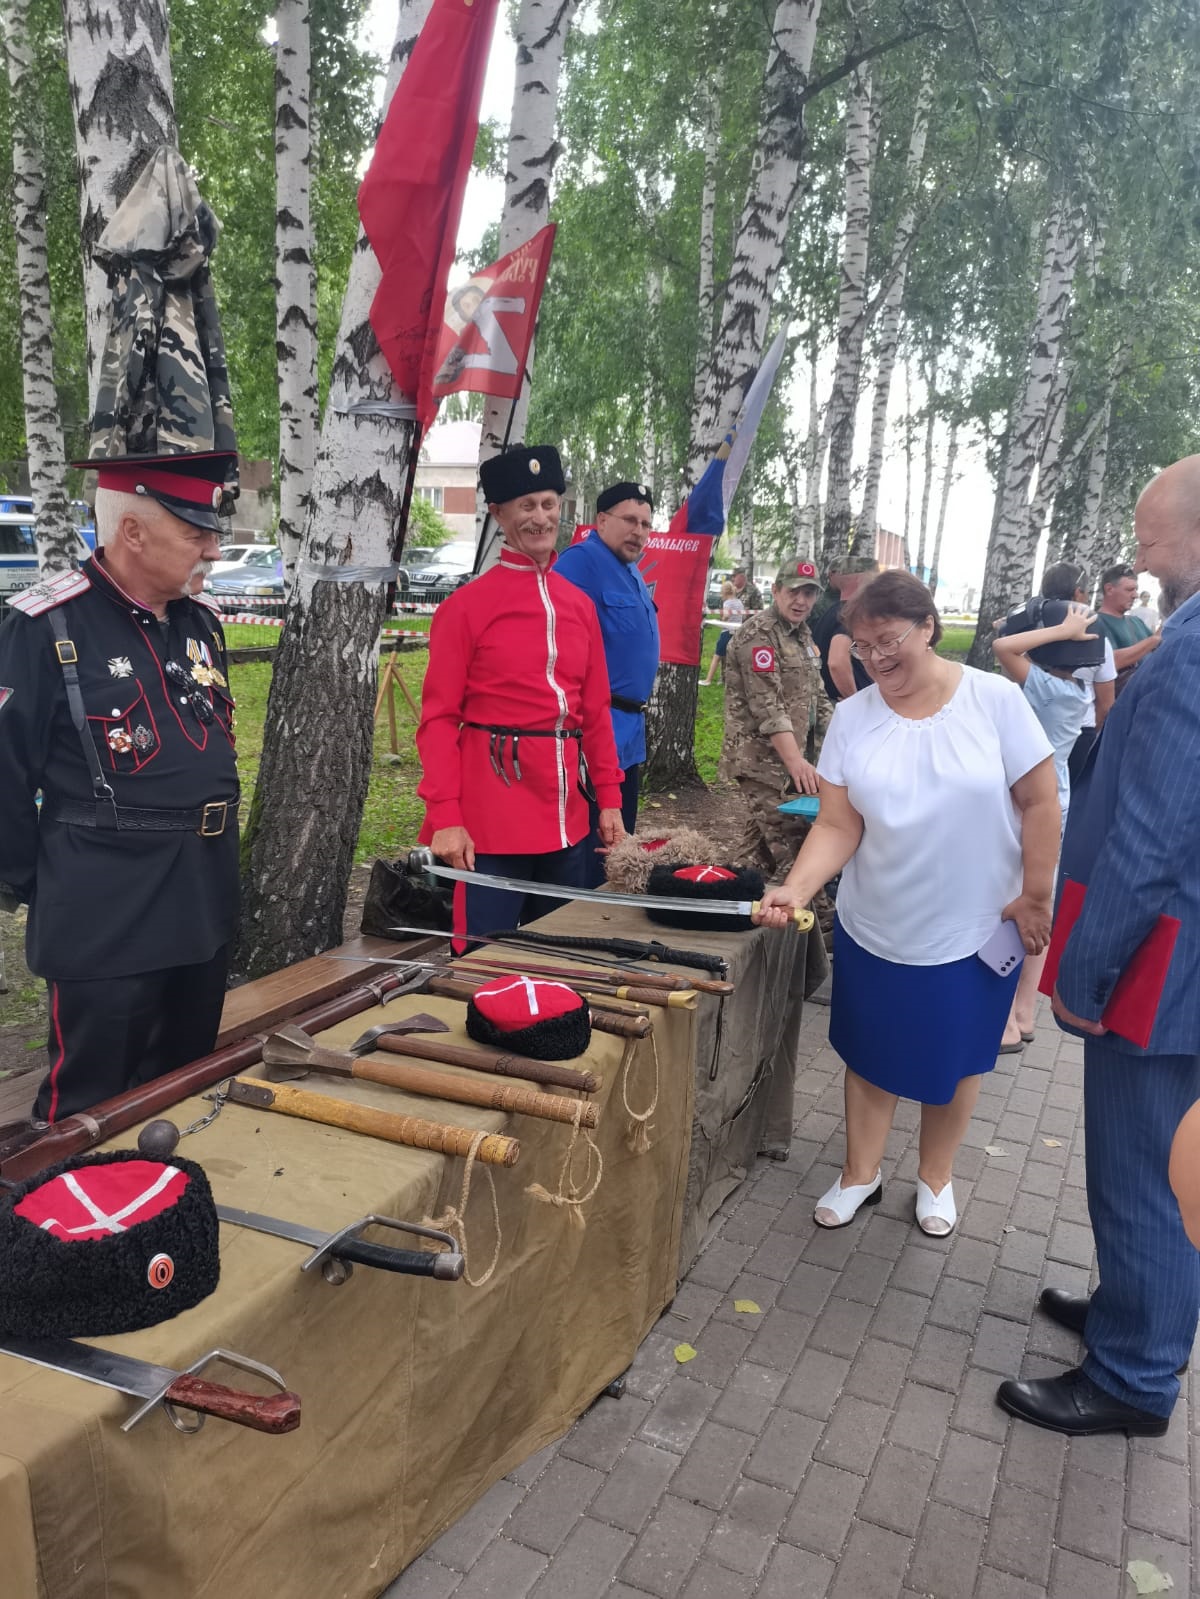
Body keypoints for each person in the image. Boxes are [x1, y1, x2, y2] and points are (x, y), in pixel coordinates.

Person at [0, 151, 242, 1126]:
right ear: (131, 529)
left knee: (179, 1097)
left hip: (197, 907)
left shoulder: (200, 625)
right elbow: (6, 782)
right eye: (195, 530)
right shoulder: (43, 624)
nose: (213, 548)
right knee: (89, 1114)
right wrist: (48, 881)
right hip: (103, 921)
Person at [754, 571, 1058, 1238]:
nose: (876, 659)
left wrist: (1037, 896)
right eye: (861, 646)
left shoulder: (994, 701)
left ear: (928, 628)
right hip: (877, 921)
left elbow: (1041, 803)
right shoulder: (854, 718)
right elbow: (838, 825)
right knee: (869, 1052)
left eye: (888, 640)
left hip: (976, 928)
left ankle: (936, 1178)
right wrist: (796, 888)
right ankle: (860, 1171)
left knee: (956, 1060)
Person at [997, 455, 1200, 1439]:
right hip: (1182, 955)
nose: (1141, 558)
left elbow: (1150, 842)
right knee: (1162, 1169)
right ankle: (1134, 1313)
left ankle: (1132, 1376)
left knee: (1144, 1174)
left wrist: (1081, 976)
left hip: (1162, 969)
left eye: (1152, 538)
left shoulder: (1191, 656)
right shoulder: (1183, 639)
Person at [415, 444, 625, 936]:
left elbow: (594, 711)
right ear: (498, 513)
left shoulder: (578, 605)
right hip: (491, 821)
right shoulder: (464, 609)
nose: (540, 518)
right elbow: (439, 719)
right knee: (484, 960)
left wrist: (610, 799)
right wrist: (445, 813)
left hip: (568, 818)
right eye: (526, 506)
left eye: (548, 504)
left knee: (558, 951)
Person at [991, 597, 1103, 1049]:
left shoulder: (1045, 688)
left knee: (1012, 904)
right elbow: (1009, 631)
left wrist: (1060, 631)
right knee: (1041, 906)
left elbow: (1003, 646)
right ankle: (1024, 1012)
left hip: (1026, 805)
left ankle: (1001, 1018)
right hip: (1058, 803)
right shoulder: (1077, 690)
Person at [555, 481, 660, 885]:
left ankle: (604, 917)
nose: (639, 532)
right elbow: (560, 649)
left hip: (628, 731)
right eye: (630, 520)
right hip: (593, 730)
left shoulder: (630, 568)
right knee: (589, 849)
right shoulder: (580, 563)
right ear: (601, 520)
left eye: (647, 524)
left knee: (619, 840)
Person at [722, 558, 832, 874]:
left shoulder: (802, 636)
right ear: (776, 590)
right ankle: (821, 921)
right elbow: (767, 708)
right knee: (801, 856)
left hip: (794, 763)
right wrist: (796, 762)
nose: (801, 601)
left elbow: (819, 699)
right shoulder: (759, 636)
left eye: (809, 594)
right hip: (764, 763)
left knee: (756, 859)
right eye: (794, 591)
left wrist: (841, 746)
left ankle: (731, 899)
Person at [1039, 562, 1116, 781]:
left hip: (1032, 724)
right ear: (1078, 594)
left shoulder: (1029, 635)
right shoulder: (1098, 641)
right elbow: (1106, 704)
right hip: (1080, 732)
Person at [810, 555, 878, 702]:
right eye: (875, 579)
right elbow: (837, 662)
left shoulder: (832, 612)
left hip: (826, 701)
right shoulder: (852, 615)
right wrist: (854, 701)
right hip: (842, 705)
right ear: (860, 579)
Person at [1092, 562, 1160, 693]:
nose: (1135, 595)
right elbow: (1110, 662)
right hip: (1120, 704)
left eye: (1136, 589)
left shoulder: (1136, 621)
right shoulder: (1094, 623)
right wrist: (1154, 640)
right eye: (1129, 590)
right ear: (1109, 589)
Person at [702, 573, 749, 686]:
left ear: (724, 592)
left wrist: (722, 619)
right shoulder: (739, 602)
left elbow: (727, 616)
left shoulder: (727, 602)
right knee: (733, 658)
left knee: (717, 656)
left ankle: (708, 680)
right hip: (738, 632)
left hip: (727, 631)